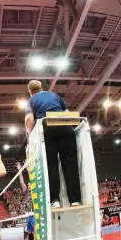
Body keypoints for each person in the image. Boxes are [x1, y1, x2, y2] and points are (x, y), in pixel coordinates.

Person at [23, 80, 81, 208]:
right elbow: (67, 114)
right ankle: (75, 200)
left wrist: (31, 136)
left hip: (47, 127)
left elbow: (29, 119)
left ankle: (55, 201)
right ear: (41, 87)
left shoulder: (31, 101)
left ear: (31, 92)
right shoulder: (54, 95)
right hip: (65, 126)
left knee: (51, 165)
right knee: (70, 164)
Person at [16, 161, 35, 240]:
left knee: (35, 237)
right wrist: (20, 170)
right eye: (28, 184)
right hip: (29, 216)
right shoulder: (27, 191)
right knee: (31, 237)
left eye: (30, 184)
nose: (28, 185)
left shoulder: (35, 190)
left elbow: (32, 177)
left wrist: (27, 167)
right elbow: (22, 181)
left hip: (34, 215)